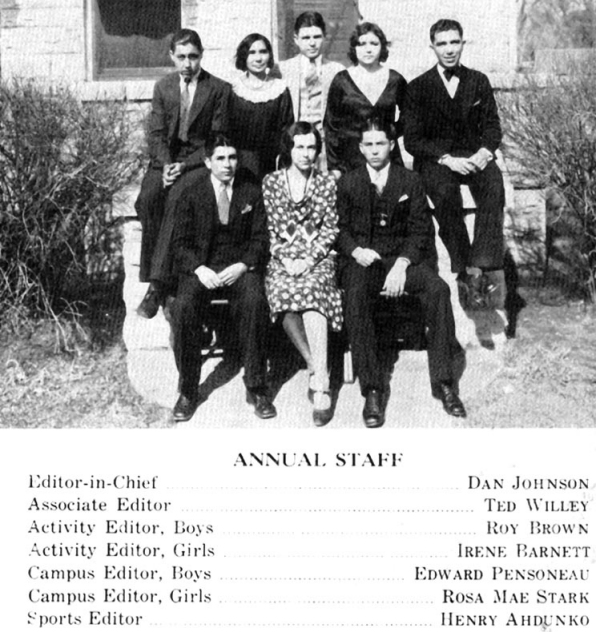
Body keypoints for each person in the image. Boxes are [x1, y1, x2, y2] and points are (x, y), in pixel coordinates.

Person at [337, 119, 466, 427]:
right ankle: (372, 389)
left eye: (380, 144)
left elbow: (421, 230)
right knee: (355, 295)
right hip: (365, 261)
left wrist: (402, 264)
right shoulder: (349, 182)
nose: (374, 150)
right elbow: (338, 230)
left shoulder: (410, 180)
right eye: (368, 144)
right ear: (360, 148)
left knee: (438, 290)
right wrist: (356, 251)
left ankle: (444, 383)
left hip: (403, 260)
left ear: (391, 145)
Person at [169, 134, 276, 423]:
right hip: (203, 269)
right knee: (183, 308)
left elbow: (261, 239)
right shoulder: (191, 193)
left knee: (255, 301)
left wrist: (243, 265)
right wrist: (199, 269)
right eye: (220, 158)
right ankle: (188, 390)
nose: (227, 164)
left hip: (238, 269)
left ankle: (256, 387)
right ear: (207, 162)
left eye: (232, 157)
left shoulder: (250, 192)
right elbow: (179, 243)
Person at [403, 19, 505, 305]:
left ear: (463, 44)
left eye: (454, 42)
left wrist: (484, 153)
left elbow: (493, 127)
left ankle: (483, 263)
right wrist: (447, 159)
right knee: (445, 192)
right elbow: (412, 140)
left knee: (493, 184)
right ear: (432, 47)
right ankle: (464, 267)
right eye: (442, 43)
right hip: (438, 160)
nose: (449, 50)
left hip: (473, 156)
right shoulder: (418, 87)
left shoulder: (478, 81)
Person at [135, 28, 230, 319]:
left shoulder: (218, 89)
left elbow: (217, 138)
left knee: (177, 197)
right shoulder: (163, 87)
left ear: (202, 55)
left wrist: (185, 166)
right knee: (149, 199)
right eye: (181, 57)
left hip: (198, 162)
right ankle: (154, 272)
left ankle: (157, 285)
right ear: (171, 56)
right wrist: (166, 165)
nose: (187, 63)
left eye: (193, 56)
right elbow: (156, 134)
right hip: (166, 161)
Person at [263, 122, 342, 426]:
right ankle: (316, 366)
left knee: (312, 292)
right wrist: (286, 258)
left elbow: (330, 228)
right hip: (283, 257)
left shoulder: (325, 184)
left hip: (317, 258)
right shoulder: (272, 182)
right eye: (300, 147)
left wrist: (309, 259)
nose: (306, 154)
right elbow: (270, 229)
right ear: (289, 149)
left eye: (312, 147)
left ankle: (321, 386)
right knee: (282, 290)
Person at [324, 22, 407, 178]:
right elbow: (331, 126)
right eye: (362, 44)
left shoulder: (395, 79)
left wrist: (391, 132)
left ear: (382, 47)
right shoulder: (341, 81)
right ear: (354, 48)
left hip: (387, 158)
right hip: (351, 160)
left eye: (374, 44)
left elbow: (409, 116)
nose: (368, 49)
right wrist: (334, 166)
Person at [277, 11, 344, 171]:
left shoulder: (337, 70)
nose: (312, 43)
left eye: (317, 37)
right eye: (306, 38)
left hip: (325, 147)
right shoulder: (282, 69)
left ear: (324, 37)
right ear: (296, 39)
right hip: (294, 145)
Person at [229, 33, 294, 181]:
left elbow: (287, 131)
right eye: (252, 53)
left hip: (272, 164)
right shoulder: (233, 89)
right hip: (239, 164)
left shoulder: (280, 89)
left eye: (263, 52)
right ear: (244, 56)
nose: (258, 58)